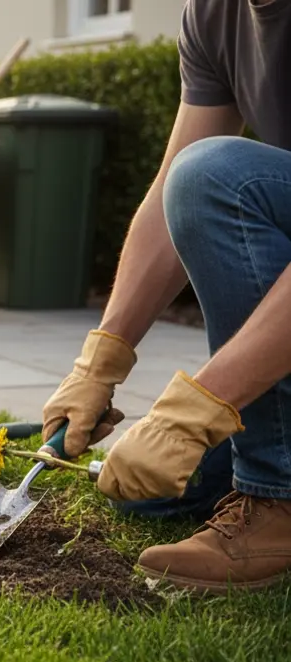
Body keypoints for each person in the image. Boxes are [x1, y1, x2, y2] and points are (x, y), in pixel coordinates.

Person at [41, 0, 291, 594]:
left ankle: (278, 502)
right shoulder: (214, 13)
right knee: (150, 498)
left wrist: (200, 408)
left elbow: (201, 180)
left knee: (218, 175)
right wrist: (100, 360)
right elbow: (168, 192)